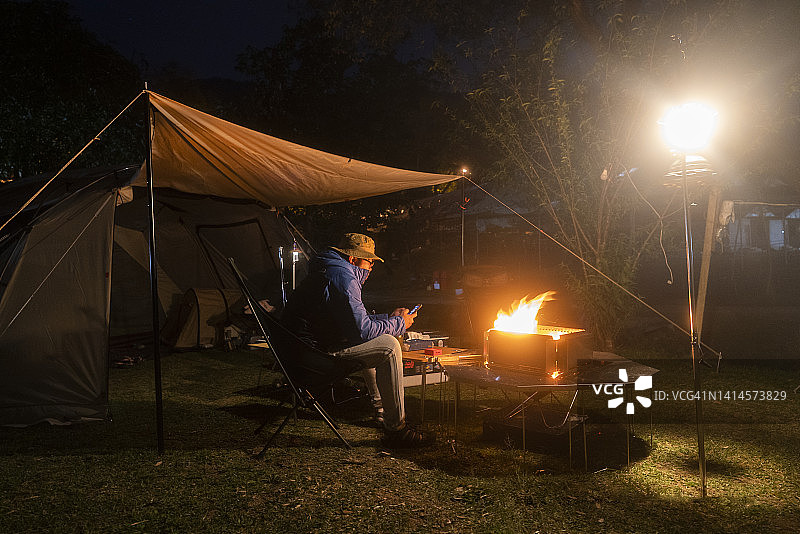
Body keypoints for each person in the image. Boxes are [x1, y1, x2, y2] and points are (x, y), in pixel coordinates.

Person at [281, 232, 434, 447]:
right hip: (315, 354)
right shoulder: (343, 277)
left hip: (304, 348)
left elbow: (352, 321)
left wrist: (389, 318)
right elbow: (361, 331)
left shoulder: (331, 269)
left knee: (378, 338)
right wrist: (400, 324)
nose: (371, 266)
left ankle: (381, 410)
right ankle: (396, 428)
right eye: (369, 261)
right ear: (353, 259)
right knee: (389, 346)